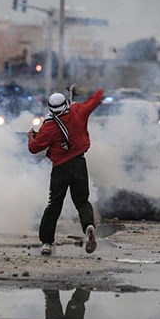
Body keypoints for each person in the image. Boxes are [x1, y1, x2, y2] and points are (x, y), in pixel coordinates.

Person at [27, 88, 104, 256]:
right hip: (79, 163)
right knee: (82, 202)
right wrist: (96, 91)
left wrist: (31, 137)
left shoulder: (48, 127)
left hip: (60, 168)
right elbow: (95, 100)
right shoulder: (78, 111)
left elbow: (34, 148)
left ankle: (47, 242)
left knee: (54, 204)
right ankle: (88, 227)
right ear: (66, 104)